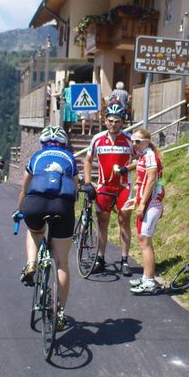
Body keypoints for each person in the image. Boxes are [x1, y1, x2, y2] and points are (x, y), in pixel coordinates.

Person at [15, 126, 77, 328]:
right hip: (62, 206)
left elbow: (25, 189)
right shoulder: (69, 158)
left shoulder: (37, 157)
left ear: (42, 143)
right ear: (64, 144)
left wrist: (19, 210)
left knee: (35, 231)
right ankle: (59, 312)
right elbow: (75, 189)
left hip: (36, 204)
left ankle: (31, 263)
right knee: (62, 263)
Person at [81, 104, 133, 277]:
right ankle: (100, 258)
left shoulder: (129, 139)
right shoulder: (97, 139)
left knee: (124, 221)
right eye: (110, 120)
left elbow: (140, 160)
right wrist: (88, 183)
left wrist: (127, 169)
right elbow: (87, 161)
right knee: (102, 222)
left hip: (123, 187)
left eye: (117, 121)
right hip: (104, 186)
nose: (113, 124)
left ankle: (124, 260)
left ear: (122, 122)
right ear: (105, 121)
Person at [127, 128, 165, 295]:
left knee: (145, 241)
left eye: (138, 141)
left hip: (151, 204)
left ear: (147, 141)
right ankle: (146, 277)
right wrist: (136, 199)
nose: (134, 144)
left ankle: (149, 281)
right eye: (133, 141)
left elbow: (152, 180)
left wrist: (143, 203)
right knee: (143, 240)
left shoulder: (149, 156)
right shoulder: (144, 156)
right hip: (149, 202)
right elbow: (156, 180)